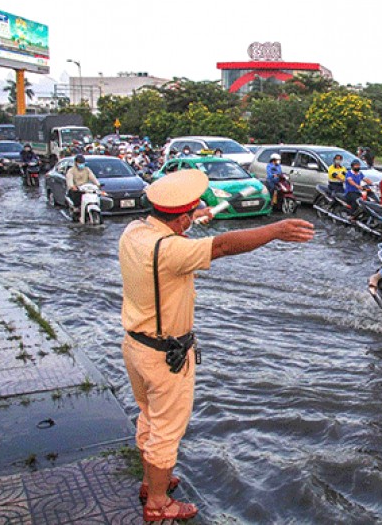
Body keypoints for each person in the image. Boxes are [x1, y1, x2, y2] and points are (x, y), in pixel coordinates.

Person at [119, 169, 313, 521]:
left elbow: (171, 230)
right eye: (187, 216)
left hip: (135, 347)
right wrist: (275, 230)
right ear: (180, 219)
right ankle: (158, 503)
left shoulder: (135, 232)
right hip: (165, 357)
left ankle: (151, 481)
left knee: (149, 416)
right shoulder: (172, 250)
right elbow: (222, 245)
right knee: (166, 432)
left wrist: (193, 216)